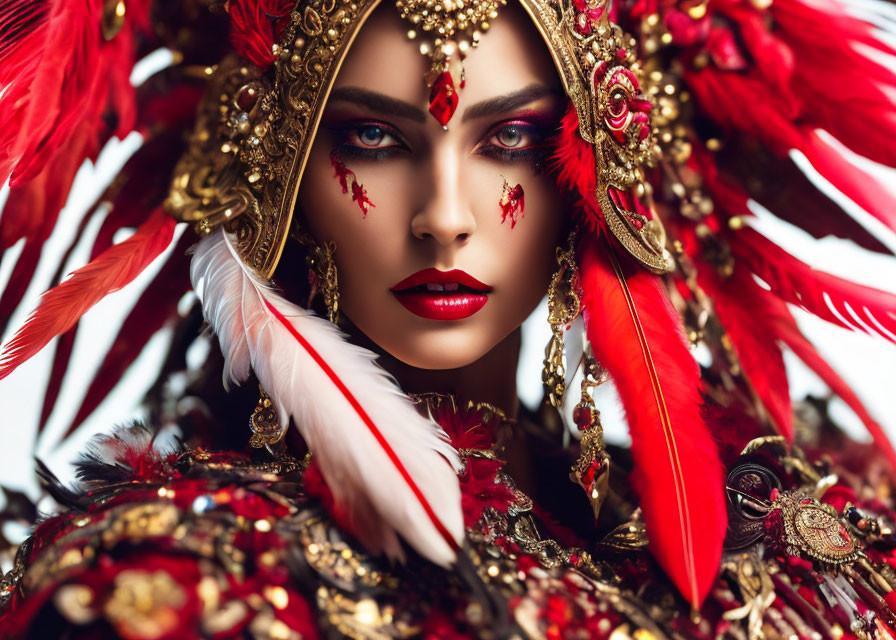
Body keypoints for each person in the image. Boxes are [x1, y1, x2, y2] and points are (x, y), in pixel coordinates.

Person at [1, 0, 896, 637]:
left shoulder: (782, 530)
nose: (445, 216)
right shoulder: (193, 575)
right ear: (283, 178)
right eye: (373, 139)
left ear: (592, 176)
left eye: (508, 140)